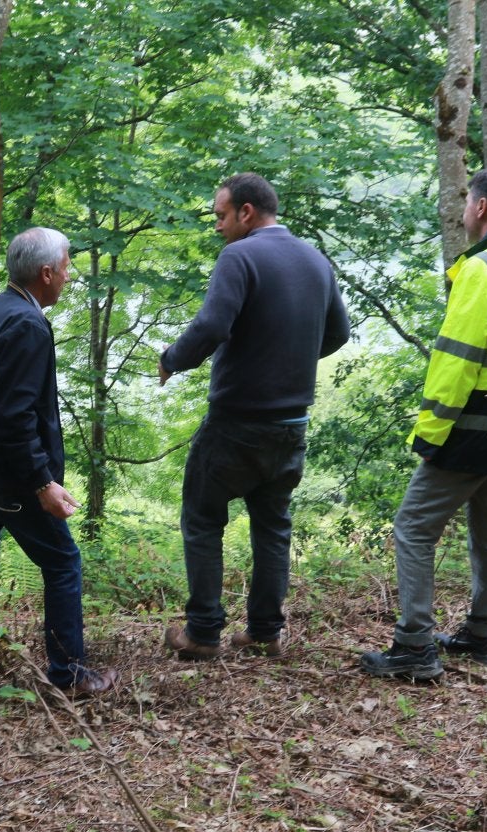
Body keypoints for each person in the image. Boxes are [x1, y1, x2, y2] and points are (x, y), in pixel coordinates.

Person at [361, 163, 487, 680]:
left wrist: (430, 430)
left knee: (412, 529)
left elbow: (456, 360)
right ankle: (481, 636)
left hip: (472, 428)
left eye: (467, 200)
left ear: (482, 207)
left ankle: (414, 648)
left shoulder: (484, 268)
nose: (464, 209)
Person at [159, 173, 350, 661]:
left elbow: (212, 324)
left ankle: (202, 632)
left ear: (246, 212)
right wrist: (292, 357)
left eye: (221, 215)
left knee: (202, 520)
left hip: (235, 424)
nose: (219, 226)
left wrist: (172, 359)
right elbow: (339, 333)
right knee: (272, 526)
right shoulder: (315, 260)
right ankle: (263, 632)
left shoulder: (239, 256)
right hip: (291, 427)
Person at [0, 228, 118, 697]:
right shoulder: (27, 325)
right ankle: (68, 674)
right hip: (9, 479)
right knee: (63, 564)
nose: (70, 275)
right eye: (68, 266)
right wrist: (42, 483)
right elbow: (15, 417)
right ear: (47, 272)